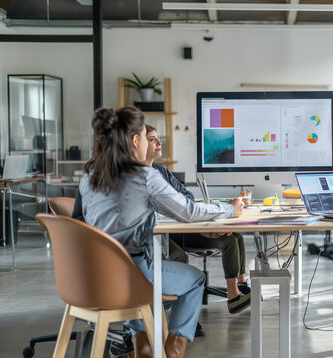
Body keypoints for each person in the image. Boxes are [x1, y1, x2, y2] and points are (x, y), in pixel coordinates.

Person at [78, 106, 243, 358]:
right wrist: (229, 209)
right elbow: (188, 211)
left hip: (92, 277)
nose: (149, 141)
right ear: (135, 140)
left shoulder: (89, 174)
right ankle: (173, 352)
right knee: (194, 279)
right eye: (146, 136)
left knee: (135, 273)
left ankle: (142, 347)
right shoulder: (143, 175)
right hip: (131, 278)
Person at [143, 124, 250, 314]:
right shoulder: (143, 178)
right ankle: (183, 313)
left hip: (182, 225)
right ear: (138, 143)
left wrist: (179, 209)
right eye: (152, 139)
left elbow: (187, 199)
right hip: (166, 233)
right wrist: (177, 209)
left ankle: (240, 287)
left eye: (158, 138)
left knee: (235, 236)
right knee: (187, 259)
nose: (159, 142)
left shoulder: (161, 171)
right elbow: (184, 208)